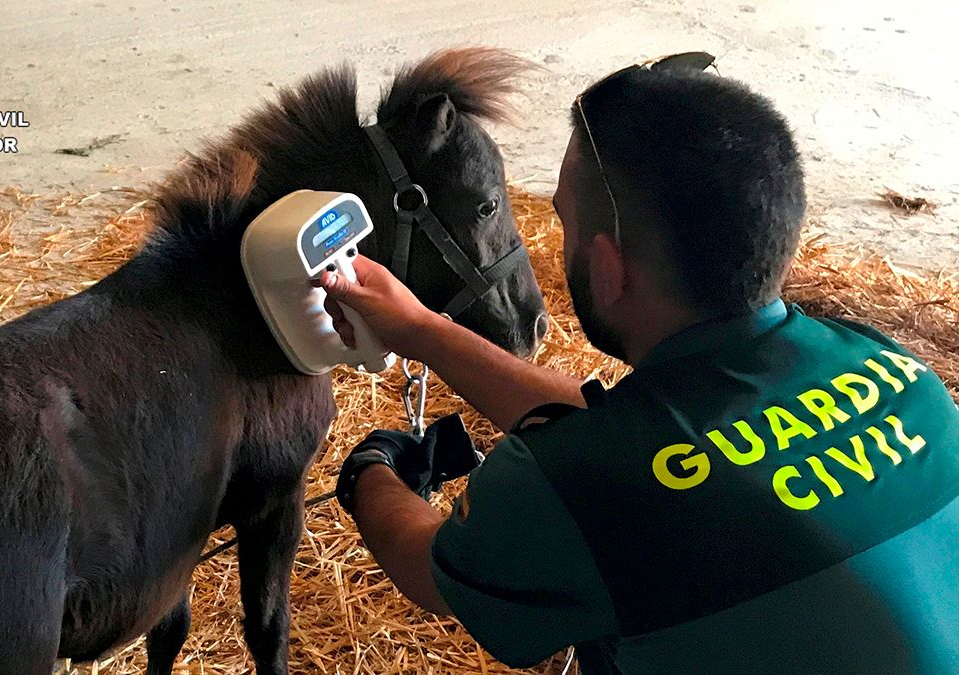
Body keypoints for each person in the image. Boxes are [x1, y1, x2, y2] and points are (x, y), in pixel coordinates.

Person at [317, 54, 959, 674]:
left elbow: (432, 570)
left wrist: (371, 471)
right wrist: (423, 330)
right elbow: (644, 443)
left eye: (563, 223)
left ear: (607, 267)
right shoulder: (891, 366)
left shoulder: (569, 490)